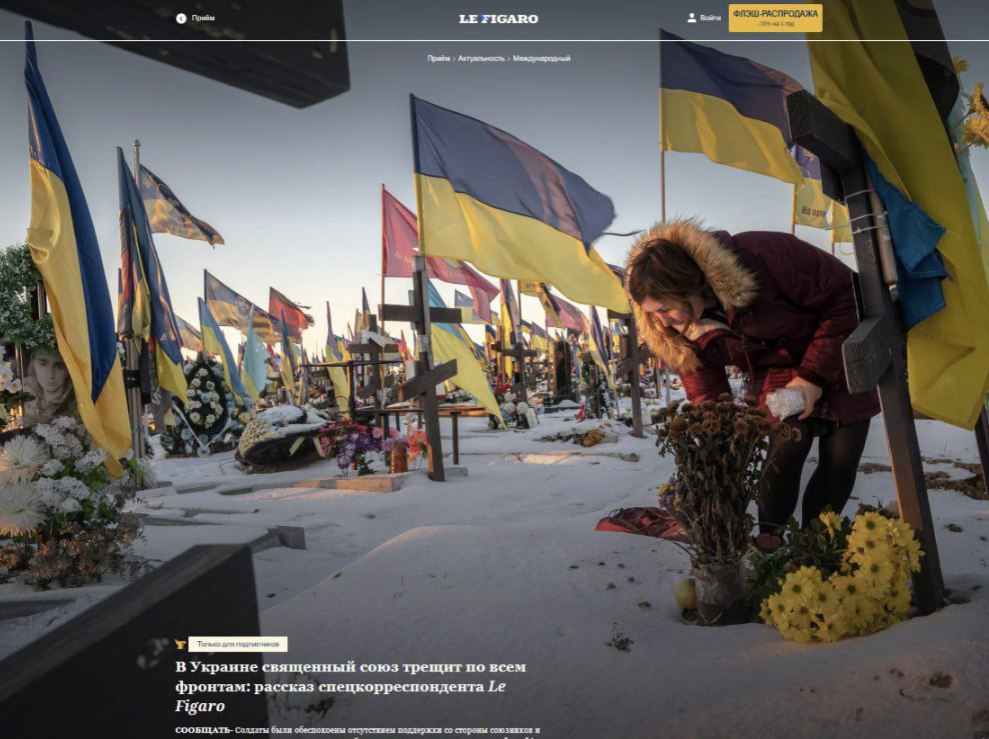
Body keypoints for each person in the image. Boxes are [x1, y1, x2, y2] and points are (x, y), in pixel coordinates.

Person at [625, 219, 880, 542]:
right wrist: (719, 443)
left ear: (688, 286)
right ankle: (769, 542)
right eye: (653, 313)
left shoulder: (762, 255)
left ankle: (813, 546)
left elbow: (847, 299)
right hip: (774, 371)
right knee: (787, 447)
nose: (662, 322)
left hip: (838, 348)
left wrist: (812, 376)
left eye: (664, 309)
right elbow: (707, 391)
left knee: (841, 457)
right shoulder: (675, 330)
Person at [22, 346, 78, 427]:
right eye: (43, 364)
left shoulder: (76, 401)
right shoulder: (23, 391)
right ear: (33, 363)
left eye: (59, 366)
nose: (50, 374)